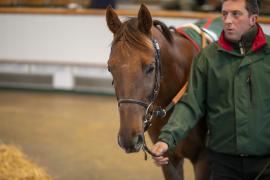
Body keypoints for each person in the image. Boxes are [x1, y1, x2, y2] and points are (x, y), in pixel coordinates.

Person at [151, 0, 270, 179]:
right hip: (223, 165)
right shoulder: (207, 58)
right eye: (224, 14)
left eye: (235, 14)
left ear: (253, 19)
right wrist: (167, 138)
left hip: (265, 164)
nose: (228, 20)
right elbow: (191, 104)